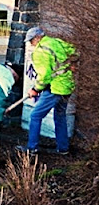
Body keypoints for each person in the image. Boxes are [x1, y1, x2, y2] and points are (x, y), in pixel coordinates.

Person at [16, 27, 78, 155]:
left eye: (31, 40)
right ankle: (63, 148)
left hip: (55, 89)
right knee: (60, 116)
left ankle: (32, 148)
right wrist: (73, 64)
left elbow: (44, 76)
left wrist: (35, 89)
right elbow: (75, 52)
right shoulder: (56, 42)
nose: (31, 44)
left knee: (35, 116)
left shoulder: (40, 51)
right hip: (67, 87)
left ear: (37, 38)